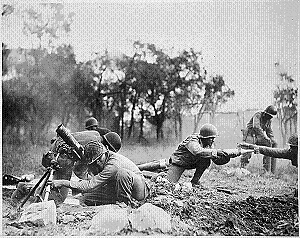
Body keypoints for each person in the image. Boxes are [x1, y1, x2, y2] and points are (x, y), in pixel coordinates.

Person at [52, 140, 150, 206]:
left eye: (98, 160)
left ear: (104, 153)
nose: (98, 163)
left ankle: (126, 205)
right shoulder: (103, 160)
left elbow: (90, 185)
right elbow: (90, 181)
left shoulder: (113, 164)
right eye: (95, 162)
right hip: (117, 188)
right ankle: (118, 202)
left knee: (121, 174)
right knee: (85, 199)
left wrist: (63, 182)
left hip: (139, 191)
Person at [166, 123, 242, 186]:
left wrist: (226, 157)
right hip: (179, 163)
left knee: (206, 159)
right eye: (211, 138)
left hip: (191, 163)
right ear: (204, 137)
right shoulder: (192, 140)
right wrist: (216, 152)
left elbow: (215, 159)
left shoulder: (209, 144)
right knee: (168, 183)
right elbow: (198, 151)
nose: (213, 140)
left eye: (213, 138)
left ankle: (195, 181)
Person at [240, 105, 278, 172]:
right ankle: (242, 168)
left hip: (259, 136)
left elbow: (269, 131)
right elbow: (256, 127)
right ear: (265, 113)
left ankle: (268, 170)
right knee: (247, 151)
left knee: (272, 144)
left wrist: (272, 139)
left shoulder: (269, 120)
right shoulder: (258, 115)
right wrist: (265, 137)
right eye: (269, 116)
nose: (269, 118)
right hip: (250, 134)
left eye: (271, 117)